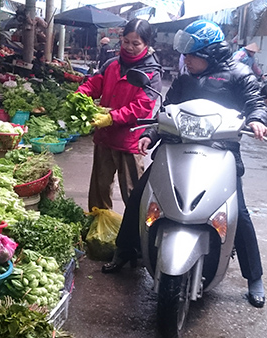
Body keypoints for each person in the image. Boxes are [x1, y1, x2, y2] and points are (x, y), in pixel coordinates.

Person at [103, 19, 267, 309]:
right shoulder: (185, 78)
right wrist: (150, 134)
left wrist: (257, 120)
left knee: (237, 212)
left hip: (221, 152)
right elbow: (167, 109)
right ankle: (124, 250)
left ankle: (254, 277)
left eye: (191, 55)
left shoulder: (241, 75)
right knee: (141, 196)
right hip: (177, 148)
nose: (185, 60)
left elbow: (256, 102)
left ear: (210, 54)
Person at [76, 18, 162, 212]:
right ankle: (97, 228)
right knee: (99, 189)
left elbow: (141, 106)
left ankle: (136, 234)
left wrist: (112, 117)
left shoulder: (151, 73)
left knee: (133, 194)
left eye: (136, 44)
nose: (129, 47)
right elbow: (93, 85)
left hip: (128, 140)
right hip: (104, 138)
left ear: (146, 44)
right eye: (126, 42)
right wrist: (80, 94)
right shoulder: (111, 64)